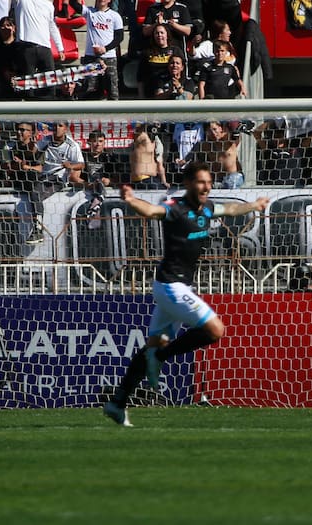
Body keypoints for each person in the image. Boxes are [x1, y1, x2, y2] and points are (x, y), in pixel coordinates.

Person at [103, 161, 269, 426]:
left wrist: (254, 205)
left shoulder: (208, 208)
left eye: (209, 182)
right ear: (189, 183)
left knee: (153, 345)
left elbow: (232, 209)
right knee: (215, 330)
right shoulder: (176, 209)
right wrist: (132, 201)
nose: (207, 187)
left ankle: (117, 403)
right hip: (171, 286)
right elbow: (152, 211)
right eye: (201, 182)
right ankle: (160, 357)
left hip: (175, 287)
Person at [69, 0, 124, 101]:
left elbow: (119, 37)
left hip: (109, 57)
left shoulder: (115, 16)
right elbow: (73, 4)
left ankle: (115, 114)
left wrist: (105, 48)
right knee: (90, 87)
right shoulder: (89, 12)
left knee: (112, 88)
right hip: (91, 57)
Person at [14, 0, 66, 100]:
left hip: (45, 48)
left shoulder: (48, 5)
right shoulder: (22, 1)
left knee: (50, 83)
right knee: (28, 86)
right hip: (26, 48)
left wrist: (60, 48)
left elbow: (52, 26)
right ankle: (29, 112)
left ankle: (48, 110)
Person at [137, 23, 185, 99]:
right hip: (151, 89)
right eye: (157, 33)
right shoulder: (147, 52)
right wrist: (141, 96)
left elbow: (182, 71)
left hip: (171, 86)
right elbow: (140, 76)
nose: (159, 35)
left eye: (162, 33)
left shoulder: (176, 50)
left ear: (167, 35)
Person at [129, 122, 168, 189]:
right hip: (143, 178)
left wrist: (164, 181)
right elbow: (137, 129)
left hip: (152, 179)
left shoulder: (157, 143)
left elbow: (159, 163)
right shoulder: (142, 137)